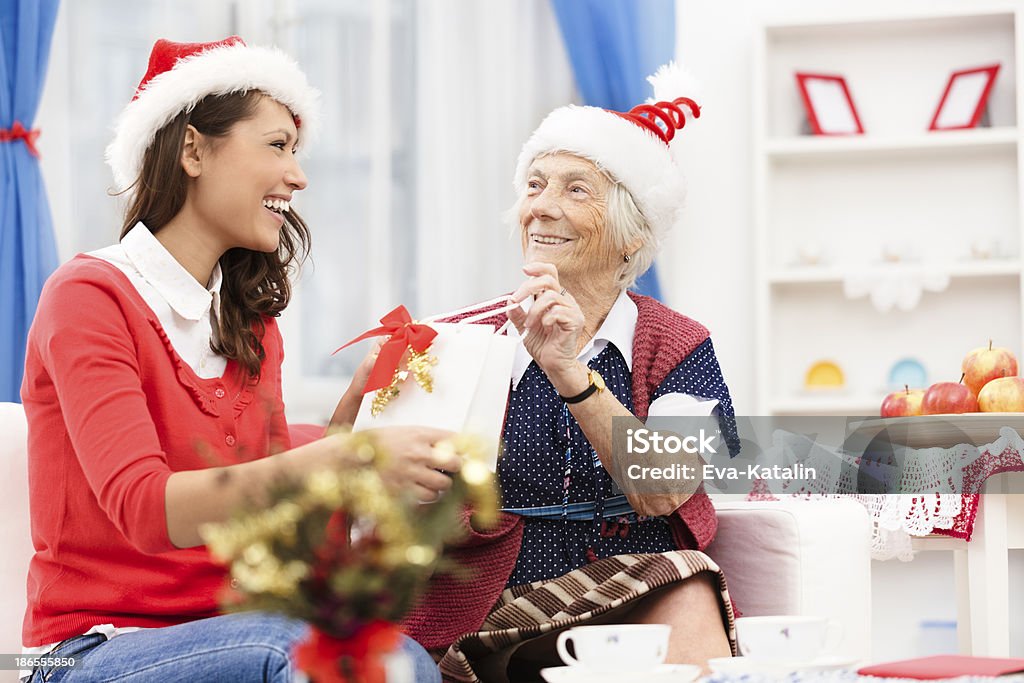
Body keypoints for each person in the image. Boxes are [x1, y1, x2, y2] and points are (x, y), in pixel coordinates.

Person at [20, 37, 451, 682]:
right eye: (277, 146)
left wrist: (352, 420)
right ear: (193, 149)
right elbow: (145, 507)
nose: (299, 175)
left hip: (237, 632)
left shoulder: (248, 324)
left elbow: (269, 503)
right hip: (95, 648)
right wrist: (338, 457)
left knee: (396, 655)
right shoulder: (89, 298)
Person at [401, 63, 740, 681]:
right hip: (493, 603)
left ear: (632, 238)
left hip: (636, 591)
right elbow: (382, 490)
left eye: (576, 190)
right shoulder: (459, 339)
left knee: (690, 586)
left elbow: (664, 488)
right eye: (534, 185)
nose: (541, 209)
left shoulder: (680, 345)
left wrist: (567, 368)